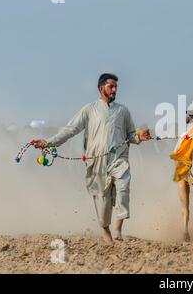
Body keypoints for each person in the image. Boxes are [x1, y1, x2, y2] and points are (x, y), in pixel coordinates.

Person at [33, 73, 151, 244]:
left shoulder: (123, 111)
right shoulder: (89, 110)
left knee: (124, 187)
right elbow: (70, 129)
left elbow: (131, 135)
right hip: (97, 162)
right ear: (101, 88)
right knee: (102, 202)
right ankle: (106, 232)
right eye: (111, 86)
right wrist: (48, 143)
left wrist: (140, 135)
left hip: (119, 159)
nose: (114, 90)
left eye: (116, 87)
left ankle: (118, 228)